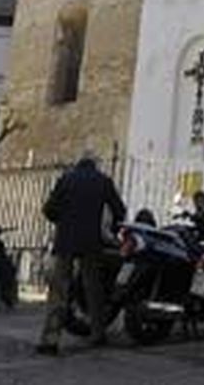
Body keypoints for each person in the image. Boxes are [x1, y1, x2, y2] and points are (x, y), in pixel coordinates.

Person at [37, 151, 125, 355]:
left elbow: (48, 209)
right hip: (91, 243)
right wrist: (110, 229)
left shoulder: (66, 179)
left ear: (79, 164)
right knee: (93, 289)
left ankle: (50, 339)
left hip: (65, 241)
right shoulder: (103, 181)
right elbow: (119, 210)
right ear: (95, 165)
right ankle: (97, 332)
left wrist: (63, 221)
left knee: (59, 290)